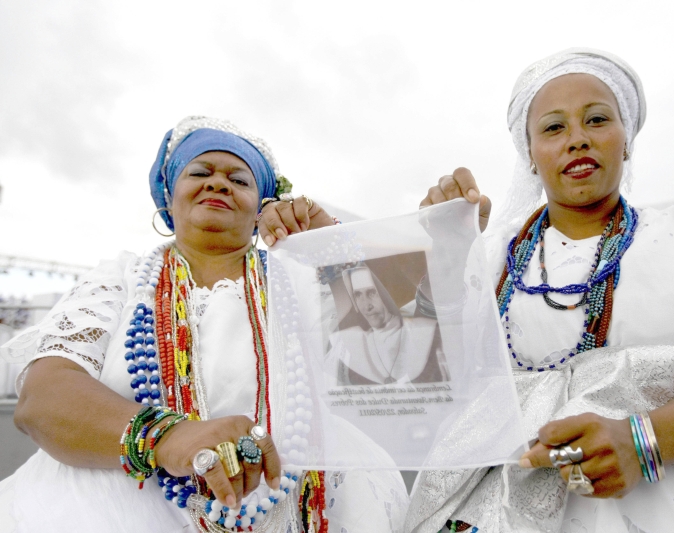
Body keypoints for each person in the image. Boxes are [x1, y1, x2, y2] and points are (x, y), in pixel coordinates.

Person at [407, 49, 674, 533]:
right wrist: (446, 256)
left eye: (596, 119)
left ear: (626, 139)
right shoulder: (491, 260)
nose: (577, 139)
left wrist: (643, 442)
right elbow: (423, 384)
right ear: (529, 155)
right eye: (553, 128)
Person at [0, 116, 408, 532]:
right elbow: (43, 398)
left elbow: (400, 335)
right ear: (168, 201)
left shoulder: (300, 279)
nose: (218, 183)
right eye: (200, 172)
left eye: (239, 179)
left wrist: (332, 248)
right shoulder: (122, 279)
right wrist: (167, 438)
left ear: (262, 209)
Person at [327, 266, 447, 386]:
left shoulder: (426, 331)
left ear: (384, 293)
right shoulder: (353, 341)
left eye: (372, 293)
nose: (366, 306)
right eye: (358, 295)